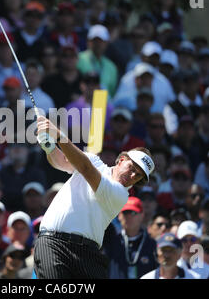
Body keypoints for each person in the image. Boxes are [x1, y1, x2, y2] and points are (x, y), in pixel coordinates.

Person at [34, 114, 155, 278]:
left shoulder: (120, 194)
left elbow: (86, 168)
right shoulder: (94, 160)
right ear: (121, 160)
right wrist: (49, 146)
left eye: (139, 175)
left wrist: (59, 137)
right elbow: (61, 161)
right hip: (53, 244)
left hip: (88, 254)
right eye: (132, 168)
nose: (133, 175)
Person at [103, 196, 157, 279]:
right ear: (119, 216)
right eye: (125, 213)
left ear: (142, 215)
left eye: (133, 213)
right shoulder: (110, 241)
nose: (129, 217)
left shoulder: (151, 244)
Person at [77, 24, 118, 98]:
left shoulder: (111, 67)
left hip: (104, 104)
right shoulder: (79, 59)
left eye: (100, 41)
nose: (97, 44)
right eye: (94, 40)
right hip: (84, 104)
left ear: (106, 43)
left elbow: (112, 92)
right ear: (88, 41)